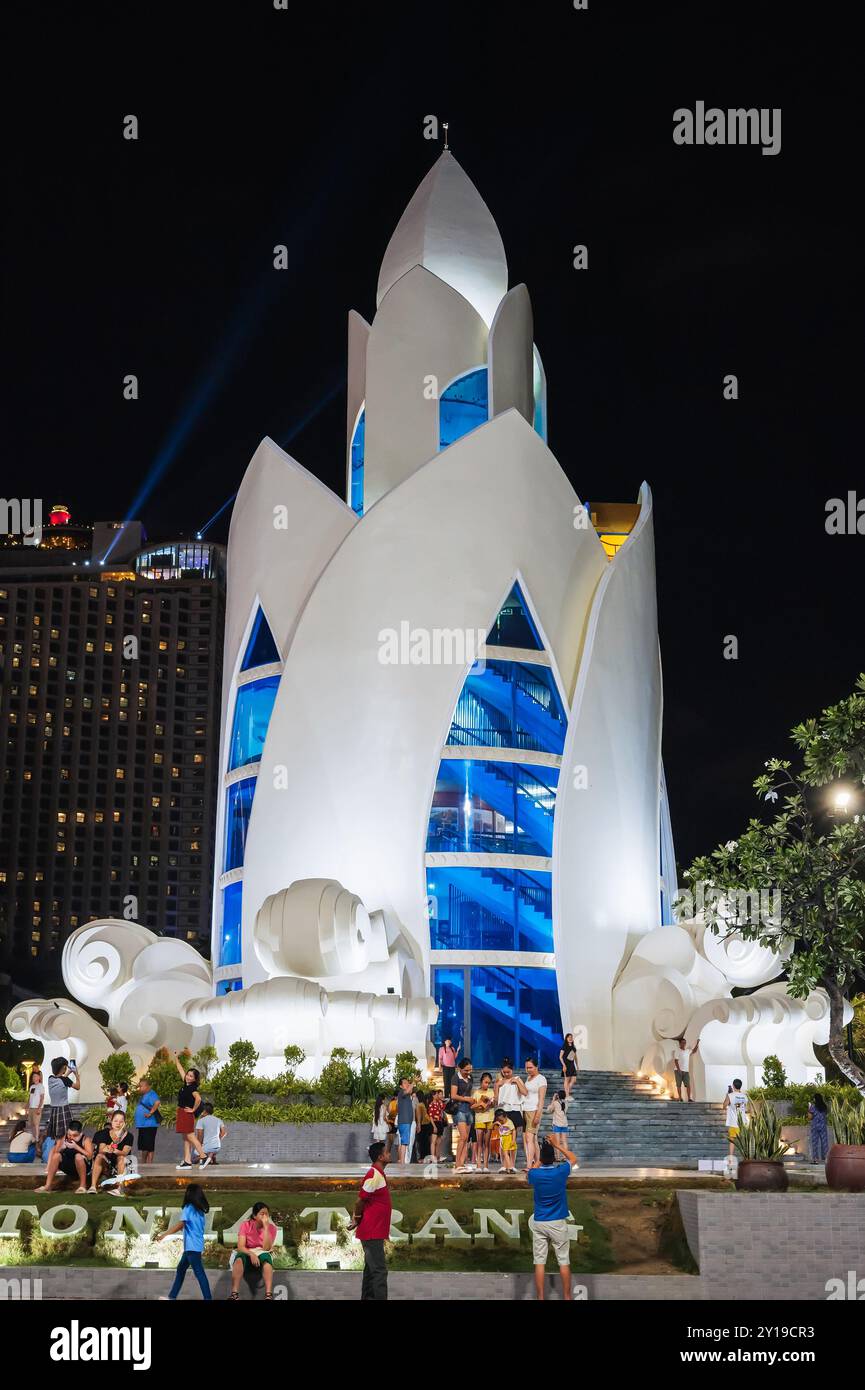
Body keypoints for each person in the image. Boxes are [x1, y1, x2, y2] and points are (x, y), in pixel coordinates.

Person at [523, 1137, 580, 1301]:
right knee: (563, 1261)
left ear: (541, 1158)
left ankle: (540, 1298)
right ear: (554, 1158)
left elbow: (530, 1173)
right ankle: (567, 1297)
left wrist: (538, 1161)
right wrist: (557, 1145)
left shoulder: (535, 1174)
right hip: (557, 1222)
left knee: (540, 1262)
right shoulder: (561, 1171)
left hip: (539, 1221)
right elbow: (573, 1159)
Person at [349, 1140, 392, 1301]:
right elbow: (360, 1201)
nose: (389, 1154)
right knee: (380, 1271)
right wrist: (357, 1218)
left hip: (373, 1231)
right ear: (381, 1157)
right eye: (387, 1152)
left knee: (370, 1270)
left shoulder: (378, 1174)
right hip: (371, 1232)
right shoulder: (373, 1175)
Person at [157, 1183, 212, 1300]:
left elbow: (181, 1224)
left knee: (199, 1273)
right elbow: (190, 1226)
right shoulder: (200, 1211)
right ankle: (172, 1297)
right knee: (181, 1269)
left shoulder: (188, 1208)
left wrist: (165, 1234)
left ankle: (208, 1298)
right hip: (194, 1246)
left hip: (192, 1247)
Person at [230, 1201, 277, 1300]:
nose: (265, 1216)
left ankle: (268, 1295)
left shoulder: (272, 1228)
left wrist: (266, 1228)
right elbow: (241, 1246)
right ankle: (234, 1294)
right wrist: (251, 1254)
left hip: (262, 1250)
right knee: (238, 1261)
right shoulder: (246, 1225)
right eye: (262, 1214)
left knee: (267, 1263)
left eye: (266, 1214)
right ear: (255, 1216)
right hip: (247, 1250)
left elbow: (266, 1248)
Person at [171, 1053, 211, 1169]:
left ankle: (203, 1157)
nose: (188, 1077)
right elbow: (180, 1069)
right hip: (182, 1112)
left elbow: (198, 1098)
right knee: (186, 1138)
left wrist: (193, 1109)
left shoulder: (192, 1088)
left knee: (191, 1136)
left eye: (191, 1076)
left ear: (194, 1079)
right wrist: (176, 1058)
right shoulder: (186, 1084)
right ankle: (187, 1161)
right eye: (188, 1075)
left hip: (187, 1113)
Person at [35, 1119, 92, 1192]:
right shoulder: (65, 1138)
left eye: (75, 1135)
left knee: (78, 1156)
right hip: (69, 1166)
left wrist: (76, 1147)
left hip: (83, 1166)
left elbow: (90, 1156)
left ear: (81, 1134)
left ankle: (82, 1185)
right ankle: (48, 1185)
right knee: (56, 1155)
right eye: (69, 1134)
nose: (71, 1137)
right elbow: (54, 1151)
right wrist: (61, 1148)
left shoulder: (85, 1140)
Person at [89, 1109, 134, 1190]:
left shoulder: (129, 1136)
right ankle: (93, 1186)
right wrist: (109, 1149)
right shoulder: (104, 1134)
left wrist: (115, 1150)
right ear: (111, 1121)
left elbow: (124, 1152)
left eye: (121, 1121)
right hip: (107, 1162)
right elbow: (101, 1149)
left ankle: (119, 1188)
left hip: (121, 1163)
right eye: (116, 1121)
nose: (118, 1123)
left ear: (124, 1123)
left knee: (121, 1157)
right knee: (99, 1156)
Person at [515, 1058, 547, 1170]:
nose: (528, 1070)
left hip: (534, 1110)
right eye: (526, 1067)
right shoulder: (528, 1078)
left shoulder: (541, 1079)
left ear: (536, 1067)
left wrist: (538, 1114)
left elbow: (542, 1099)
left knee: (529, 1138)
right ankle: (539, 1164)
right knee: (531, 1139)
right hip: (525, 1108)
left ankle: (529, 1166)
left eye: (530, 1067)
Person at [493, 1060, 524, 1168]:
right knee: (502, 1138)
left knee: (512, 1140)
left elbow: (524, 1092)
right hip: (503, 1111)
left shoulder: (517, 1079)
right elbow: (495, 1100)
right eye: (504, 1072)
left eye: (508, 1072)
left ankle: (512, 1165)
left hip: (514, 1110)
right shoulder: (499, 1081)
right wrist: (497, 1086)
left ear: (512, 1070)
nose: (506, 1074)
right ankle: (503, 1164)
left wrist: (516, 1082)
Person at [46, 1056, 80, 1141]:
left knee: (56, 1136)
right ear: (64, 1067)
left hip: (54, 1110)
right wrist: (76, 1075)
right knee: (66, 1134)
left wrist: (68, 1072)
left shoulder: (50, 1079)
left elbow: (61, 1079)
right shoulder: (65, 1080)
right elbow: (77, 1087)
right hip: (63, 1109)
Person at [450, 1057, 475, 1173]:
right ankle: (457, 1163)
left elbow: (471, 1092)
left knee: (466, 1139)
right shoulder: (456, 1078)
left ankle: (462, 1163)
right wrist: (466, 1099)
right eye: (466, 1070)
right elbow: (453, 1095)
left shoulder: (470, 1078)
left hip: (468, 1109)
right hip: (459, 1108)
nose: (468, 1072)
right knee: (463, 1136)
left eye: (470, 1070)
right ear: (460, 1069)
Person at [134, 1076, 161, 1166]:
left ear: (147, 1086)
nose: (140, 1088)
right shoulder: (144, 1095)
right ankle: (144, 1164)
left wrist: (150, 1113)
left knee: (148, 1146)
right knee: (143, 1146)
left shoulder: (152, 1094)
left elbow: (157, 1102)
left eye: (141, 1086)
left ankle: (148, 1164)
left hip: (149, 1124)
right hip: (143, 1125)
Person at [472, 1072, 495, 1173]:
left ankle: (485, 1165)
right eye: (485, 1082)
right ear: (481, 1081)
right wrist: (480, 1104)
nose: (487, 1085)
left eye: (489, 1083)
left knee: (487, 1143)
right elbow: (472, 1106)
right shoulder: (476, 1093)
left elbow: (494, 1104)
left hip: (489, 1118)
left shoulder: (491, 1092)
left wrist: (490, 1102)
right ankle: (478, 1165)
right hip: (480, 1119)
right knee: (479, 1143)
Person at [396, 1077, 418, 1164]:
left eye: (407, 1082)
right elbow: (408, 1090)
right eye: (405, 1083)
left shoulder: (408, 1095)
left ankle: (402, 1161)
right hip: (404, 1122)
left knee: (403, 1143)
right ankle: (402, 1162)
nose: (407, 1084)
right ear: (401, 1086)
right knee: (404, 1143)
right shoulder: (402, 1093)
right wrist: (414, 1082)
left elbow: (409, 1091)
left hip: (406, 1122)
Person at [725, 1078, 748, 1158]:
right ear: (740, 1086)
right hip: (742, 1123)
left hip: (733, 1122)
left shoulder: (730, 1095)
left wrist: (727, 1096)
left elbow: (724, 1106)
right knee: (743, 1140)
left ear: (733, 1086)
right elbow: (745, 1108)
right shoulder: (745, 1096)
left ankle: (731, 1157)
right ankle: (746, 1156)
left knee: (732, 1140)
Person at [672, 1035, 699, 1101]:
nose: (684, 1044)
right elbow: (676, 1061)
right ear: (680, 1043)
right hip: (678, 1071)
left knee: (688, 1085)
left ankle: (689, 1098)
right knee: (679, 1085)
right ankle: (680, 1098)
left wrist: (697, 1043)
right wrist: (679, 1070)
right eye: (683, 1042)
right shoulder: (677, 1050)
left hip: (686, 1071)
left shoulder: (687, 1051)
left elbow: (694, 1051)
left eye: (685, 1042)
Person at [547, 1091, 571, 1161]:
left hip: (557, 1124)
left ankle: (558, 1157)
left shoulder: (555, 1103)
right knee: (564, 1141)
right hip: (564, 1124)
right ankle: (565, 1157)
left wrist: (553, 1099)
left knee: (557, 1142)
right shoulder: (566, 1103)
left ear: (558, 1096)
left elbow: (549, 1110)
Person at [437, 1036, 459, 1106]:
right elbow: (440, 1058)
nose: (449, 1042)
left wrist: (458, 1050)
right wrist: (440, 1067)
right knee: (446, 1082)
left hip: (452, 1067)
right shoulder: (442, 1049)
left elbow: (454, 1057)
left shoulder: (452, 1048)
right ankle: (446, 1097)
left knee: (452, 1082)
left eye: (450, 1041)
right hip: (446, 1067)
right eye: (447, 1041)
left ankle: (451, 1097)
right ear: (445, 1041)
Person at [808, 1093, 829, 1162]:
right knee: (824, 1142)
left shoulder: (812, 1107)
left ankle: (815, 1159)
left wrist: (809, 1109)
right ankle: (826, 1158)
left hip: (815, 1126)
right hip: (823, 1126)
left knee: (815, 1143)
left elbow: (810, 1117)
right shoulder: (824, 1106)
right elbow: (825, 1116)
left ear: (815, 1099)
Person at [559, 1034, 579, 1101]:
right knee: (566, 1080)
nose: (570, 1038)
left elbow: (575, 1057)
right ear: (566, 1038)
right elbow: (560, 1057)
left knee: (574, 1080)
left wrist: (577, 1065)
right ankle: (567, 1095)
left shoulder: (573, 1047)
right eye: (569, 1037)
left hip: (572, 1065)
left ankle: (566, 1093)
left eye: (571, 1037)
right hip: (566, 1065)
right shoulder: (564, 1047)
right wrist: (563, 1065)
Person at [427, 1089, 445, 1162]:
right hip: (434, 1122)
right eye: (437, 1094)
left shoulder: (439, 1103)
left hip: (440, 1122)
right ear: (433, 1096)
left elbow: (443, 1108)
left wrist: (441, 1100)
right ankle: (433, 1157)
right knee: (433, 1141)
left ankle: (438, 1157)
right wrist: (434, 1126)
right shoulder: (431, 1104)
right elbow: (430, 1116)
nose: (438, 1096)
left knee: (439, 1142)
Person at [27, 1066, 45, 1140]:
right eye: (33, 1076)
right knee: (31, 1124)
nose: (33, 1078)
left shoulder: (41, 1086)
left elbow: (42, 1098)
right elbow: (30, 1097)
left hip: (37, 1108)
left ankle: (37, 1138)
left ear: (39, 1078)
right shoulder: (32, 1087)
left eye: (35, 1076)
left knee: (36, 1124)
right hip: (31, 1108)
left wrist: (39, 1108)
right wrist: (27, 1107)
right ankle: (33, 1137)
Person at [415, 1092, 433, 1162]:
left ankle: (422, 1157)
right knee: (426, 1142)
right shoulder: (424, 1104)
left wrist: (418, 1125)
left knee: (421, 1142)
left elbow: (419, 1116)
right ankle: (427, 1157)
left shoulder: (419, 1105)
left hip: (422, 1125)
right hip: (427, 1125)